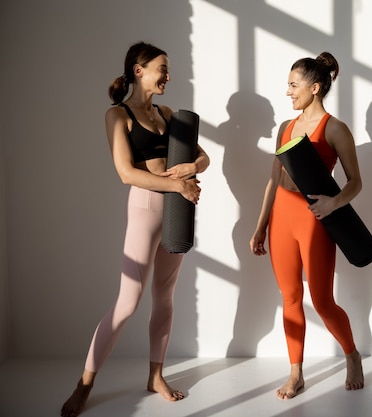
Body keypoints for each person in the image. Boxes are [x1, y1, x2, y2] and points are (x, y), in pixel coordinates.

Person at [61, 41, 210, 417]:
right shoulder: (118, 115)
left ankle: (155, 376)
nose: (168, 75)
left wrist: (191, 169)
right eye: (162, 68)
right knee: (127, 303)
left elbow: (202, 155)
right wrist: (178, 184)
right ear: (139, 70)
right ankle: (85, 383)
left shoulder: (168, 113)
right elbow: (127, 173)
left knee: (165, 297)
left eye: (168, 69)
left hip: (178, 211)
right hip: (146, 208)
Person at [250, 51, 365, 399]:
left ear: (315, 88)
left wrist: (334, 202)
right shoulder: (285, 128)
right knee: (290, 297)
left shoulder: (335, 129)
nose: (288, 92)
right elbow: (274, 180)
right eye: (288, 85)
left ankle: (352, 354)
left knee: (323, 300)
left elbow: (356, 181)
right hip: (281, 219)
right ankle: (295, 373)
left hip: (314, 221)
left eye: (293, 85)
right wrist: (260, 226)